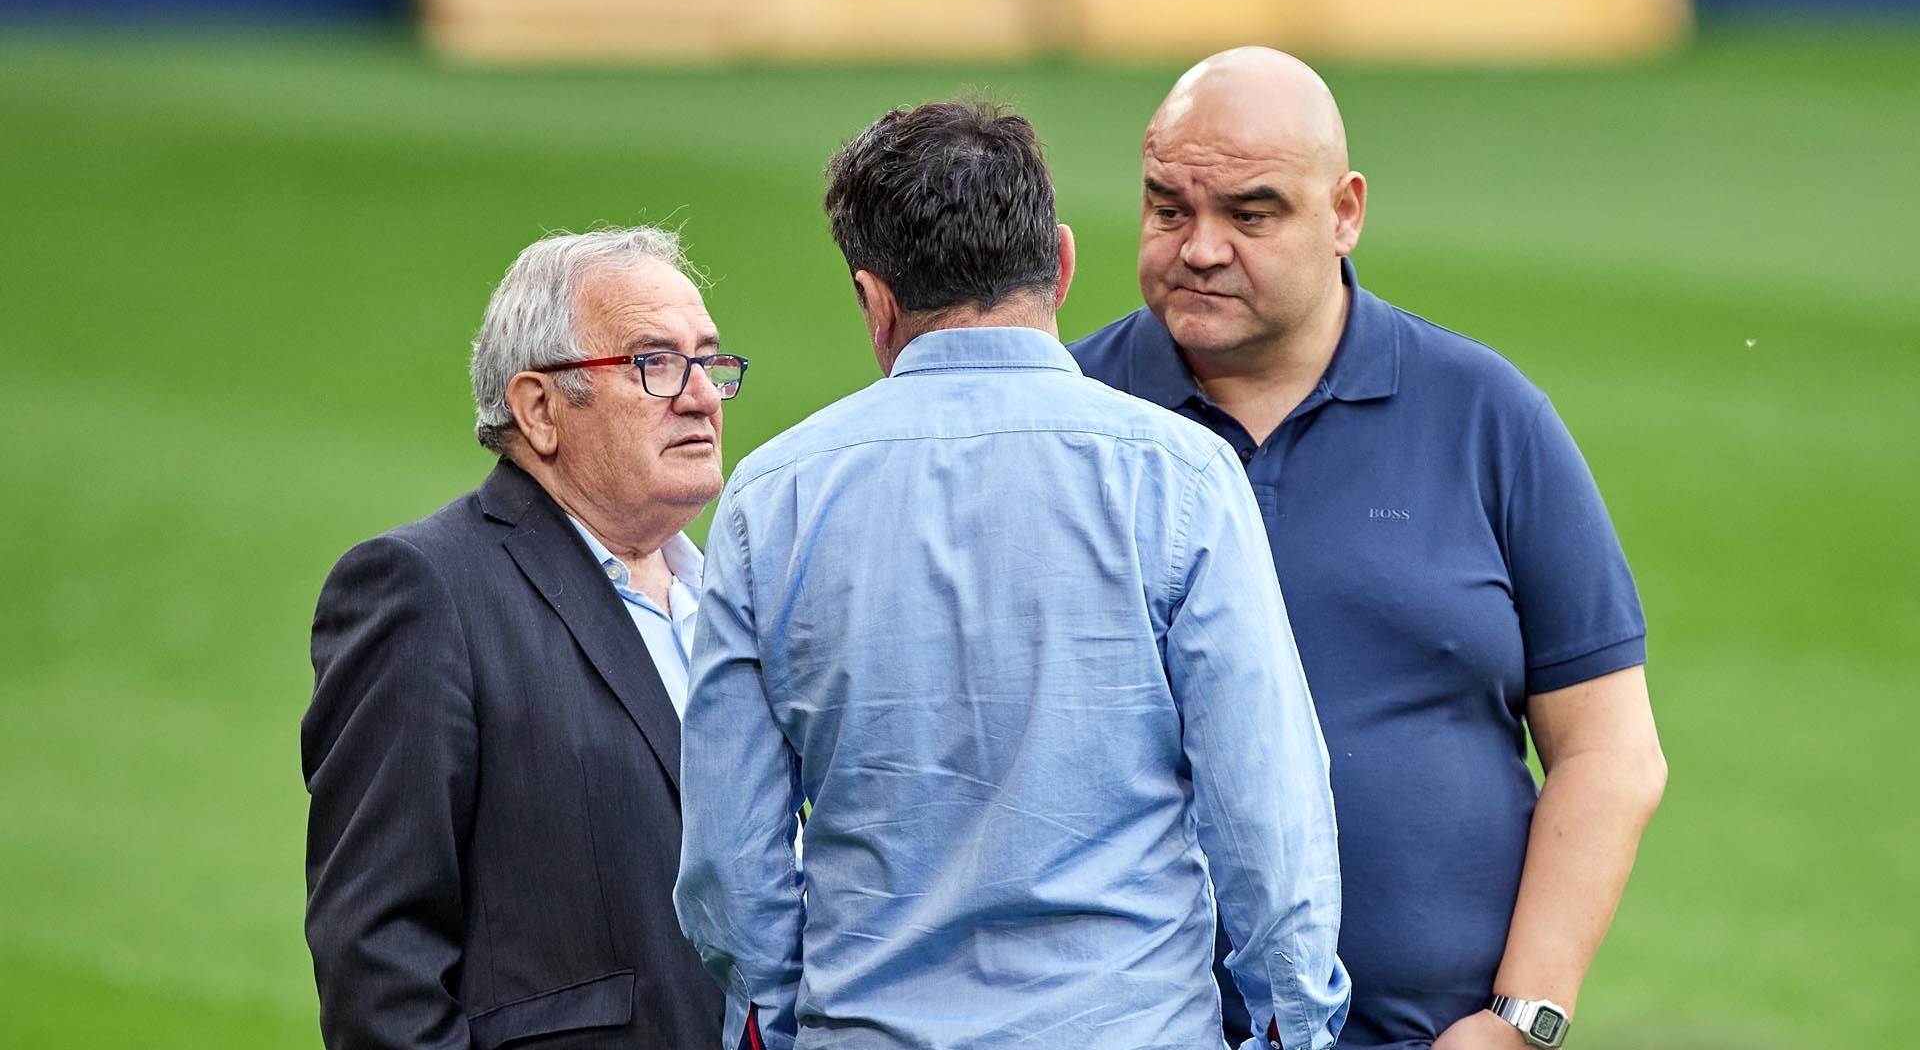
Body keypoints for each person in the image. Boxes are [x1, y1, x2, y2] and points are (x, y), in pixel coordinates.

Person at [673, 100, 1348, 1050]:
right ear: (1063, 262)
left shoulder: (771, 498)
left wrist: (788, 1025)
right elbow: (1267, 807)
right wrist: (1295, 1024)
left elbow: (730, 858)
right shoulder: (1182, 476)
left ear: (875, 298)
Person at [1069, 48, 1669, 1050]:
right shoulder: (1066, 422)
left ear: (1344, 213)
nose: (1200, 247)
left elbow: (1610, 749)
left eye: (1250, 214)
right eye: (1169, 208)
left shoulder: (1487, 417)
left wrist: (1519, 1021)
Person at [302, 227, 745, 1049]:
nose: (702, 397)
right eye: (654, 363)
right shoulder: (425, 591)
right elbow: (378, 964)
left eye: (710, 363)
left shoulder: (731, 595)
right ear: (539, 407)